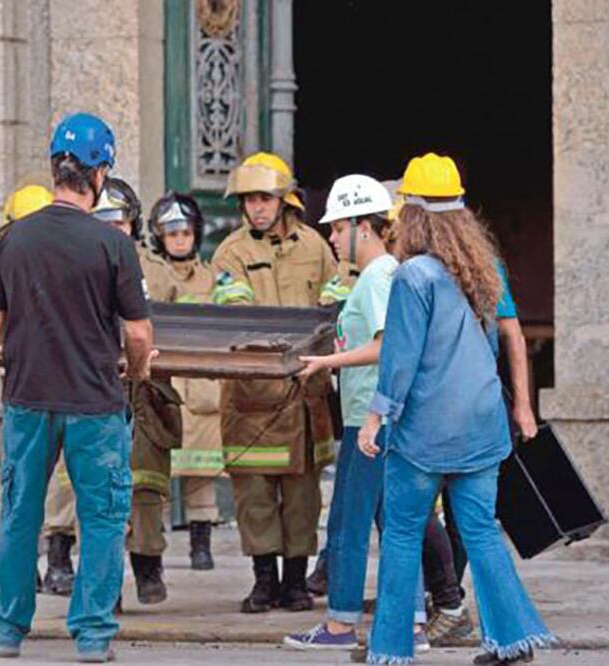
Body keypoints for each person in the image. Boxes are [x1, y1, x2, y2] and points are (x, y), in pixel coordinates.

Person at [357, 153, 554, 665]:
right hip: (482, 424)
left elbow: (400, 359)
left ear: (413, 215)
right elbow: (503, 338)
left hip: (424, 430)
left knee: (401, 533)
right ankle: (513, 641)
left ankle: (391, 648)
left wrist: (376, 415)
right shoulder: (485, 268)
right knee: (482, 529)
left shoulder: (412, 277)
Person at [0, 112, 154, 663]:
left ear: (56, 168)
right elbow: (138, 331)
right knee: (102, 518)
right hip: (94, 402)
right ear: (100, 172)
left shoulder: (15, 239)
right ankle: (93, 635)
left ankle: (8, 631)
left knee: (19, 513)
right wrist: (137, 368)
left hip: (28, 397)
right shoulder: (112, 246)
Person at [281, 175, 428, 651]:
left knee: (347, 520)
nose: (332, 237)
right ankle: (412, 622)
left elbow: (389, 346)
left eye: (338, 228)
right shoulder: (379, 276)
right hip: (380, 417)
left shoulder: (378, 277)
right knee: (396, 521)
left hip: (370, 419)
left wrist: (326, 362)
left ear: (362, 226)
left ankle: (341, 624)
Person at [410, 162, 539, 646]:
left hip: (438, 409)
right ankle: (463, 610)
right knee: (471, 518)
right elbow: (513, 335)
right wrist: (521, 406)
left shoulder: (414, 274)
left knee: (414, 512)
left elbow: (509, 334)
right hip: (482, 408)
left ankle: (444, 602)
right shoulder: (484, 264)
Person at [211, 151, 339, 613]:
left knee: (303, 496)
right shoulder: (232, 253)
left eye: (265, 198)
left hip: (306, 396)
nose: (257, 208)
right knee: (256, 495)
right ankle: (263, 580)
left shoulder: (316, 247)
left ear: (285, 200)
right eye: (249, 200)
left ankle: (296, 582)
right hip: (254, 397)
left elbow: (335, 304)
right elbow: (236, 315)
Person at [94, 178, 182, 605]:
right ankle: (104, 584)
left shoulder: (158, 270)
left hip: (149, 392)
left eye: (120, 220)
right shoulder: (81, 263)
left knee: (146, 488)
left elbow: (185, 327)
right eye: (104, 221)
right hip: (98, 389)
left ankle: (149, 567)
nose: (115, 229)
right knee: (101, 492)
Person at [0, 184, 78, 598]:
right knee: (19, 491)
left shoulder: (64, 264)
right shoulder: (6, 262)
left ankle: (56, 560)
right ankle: (23, 575)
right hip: (27, 391)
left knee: (48, 487)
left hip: (44, 389)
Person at [148, 191, 223, 570]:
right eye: (171, 233)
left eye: (186, 232)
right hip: (163, 381)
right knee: (155, 468)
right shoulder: (148, 273)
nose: (179, 239)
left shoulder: (213, 276)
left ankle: (201, 542)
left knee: (202, 471)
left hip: (203, 385)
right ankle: (152, 544)